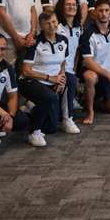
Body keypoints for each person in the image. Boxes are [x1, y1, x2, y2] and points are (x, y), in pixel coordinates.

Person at [19, 11, 71, 146]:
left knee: (51, 128)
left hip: (52, 81)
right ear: (41, 26)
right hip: (31, 81)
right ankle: (33, 133)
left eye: (53, 22)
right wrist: (50, 78)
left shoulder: (63, 40)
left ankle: (32, 108)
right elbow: (26, 71)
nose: (51, 26)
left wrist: (62, 78)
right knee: (49, 97)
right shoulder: (35, 43)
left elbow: (63, 63)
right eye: (47, 23)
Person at [79, 0, 110, 124]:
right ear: (94, 12)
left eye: (106, 10)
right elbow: (88, 61)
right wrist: (109, 75)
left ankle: (91, 100)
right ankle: (90, 112)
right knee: (90, 77)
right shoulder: (88, 33)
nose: (104, 14)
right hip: (93, 71)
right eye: (100, 11)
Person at [54, 0, 83, 133]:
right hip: (56, 68)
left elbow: (77, 52)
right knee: (69, 79)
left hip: (70, 68)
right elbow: (57, 53)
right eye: (68, 4)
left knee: (72, 78)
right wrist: (63, 71)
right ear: (61, 7)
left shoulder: (79, 27)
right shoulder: (57, 26)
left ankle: (66, 116)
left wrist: (74, 70)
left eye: (74, 4)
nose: (71, 7)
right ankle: (67, 119)